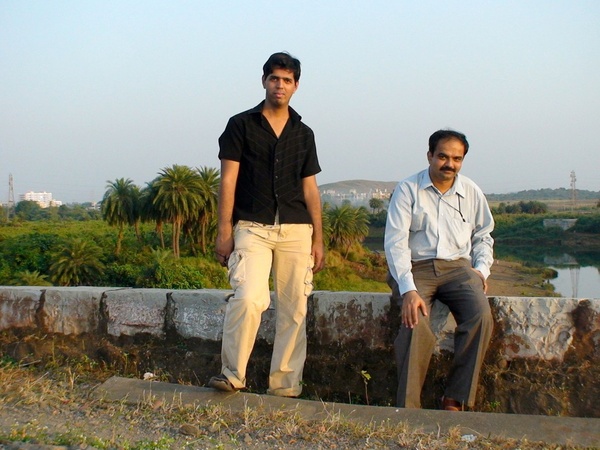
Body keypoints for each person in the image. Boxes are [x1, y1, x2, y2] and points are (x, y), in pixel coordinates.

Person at [208, 52, 325, 398]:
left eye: (287, 80)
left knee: (294, 309)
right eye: (274, 78)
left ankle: (285, 387)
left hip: (295, 229)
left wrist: (319, 239)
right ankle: (232, 375)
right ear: (264, 81)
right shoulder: (240, 125)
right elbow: (227, 181)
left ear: (296, 86)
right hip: (252, 226)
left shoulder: (303, 134)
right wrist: (224, 232)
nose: (280, 85)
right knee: (248, 298)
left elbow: (311, 189)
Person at [384, 129, 494, 411]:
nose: (449, 164)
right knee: (415, 322)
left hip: (458, 268)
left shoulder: (470, 191)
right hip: (416, 268)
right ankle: (409, 408)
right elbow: (395, 243)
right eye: (443, 156)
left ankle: (455, 398)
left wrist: (481, 270)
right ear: (430, 155)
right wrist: (407, 289)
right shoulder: (408, 189)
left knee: (480, 316)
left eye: (457, 158)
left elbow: (484, 235)